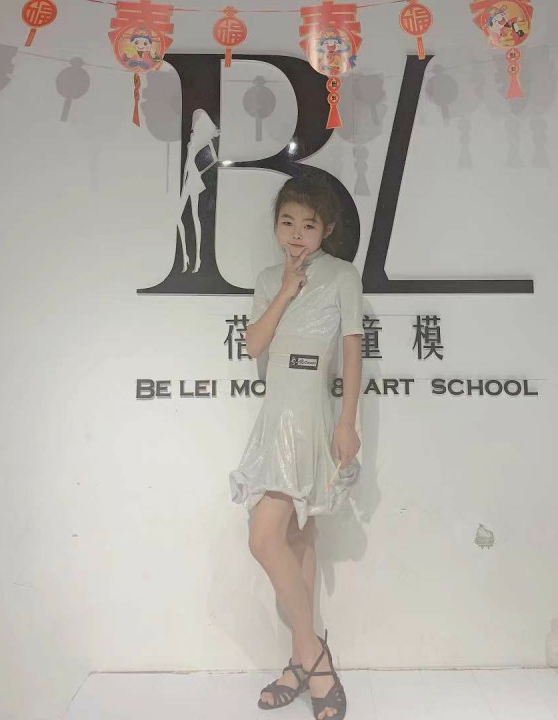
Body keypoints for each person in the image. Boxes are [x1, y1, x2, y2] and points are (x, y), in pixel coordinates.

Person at [229, 175, 364, 720]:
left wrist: (347, 421)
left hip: (312, 417)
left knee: (281, 537)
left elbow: (351, 348)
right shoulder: (268, 279)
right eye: (287, 222)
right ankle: (310, 656)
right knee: (281, 537)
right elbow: (253, 345)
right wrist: (286, 287)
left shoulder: (342, 276)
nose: (296, 234)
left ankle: (304, 658)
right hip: (274, 418)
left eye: (309, 225)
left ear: (326, 229)